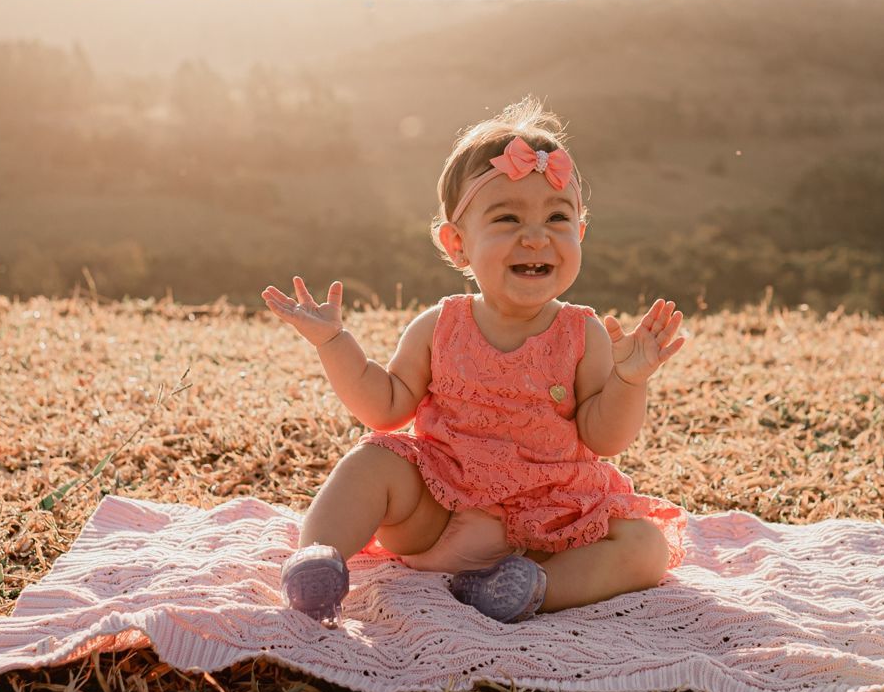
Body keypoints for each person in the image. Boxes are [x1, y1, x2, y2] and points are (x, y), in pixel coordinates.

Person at [261, 96, 689, 626]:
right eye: (508, 218)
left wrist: (629, 379)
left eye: (558, 217)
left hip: (546, 528)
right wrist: (334, 343)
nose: (536, 236)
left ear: (579, 232)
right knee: (372, 463)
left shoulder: (583, 333)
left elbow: (604, 438)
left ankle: (531, 590)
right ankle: (318, 560)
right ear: (457, 243)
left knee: (646, 546)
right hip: (439, 509)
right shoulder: (441, 325)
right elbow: (385, 406)